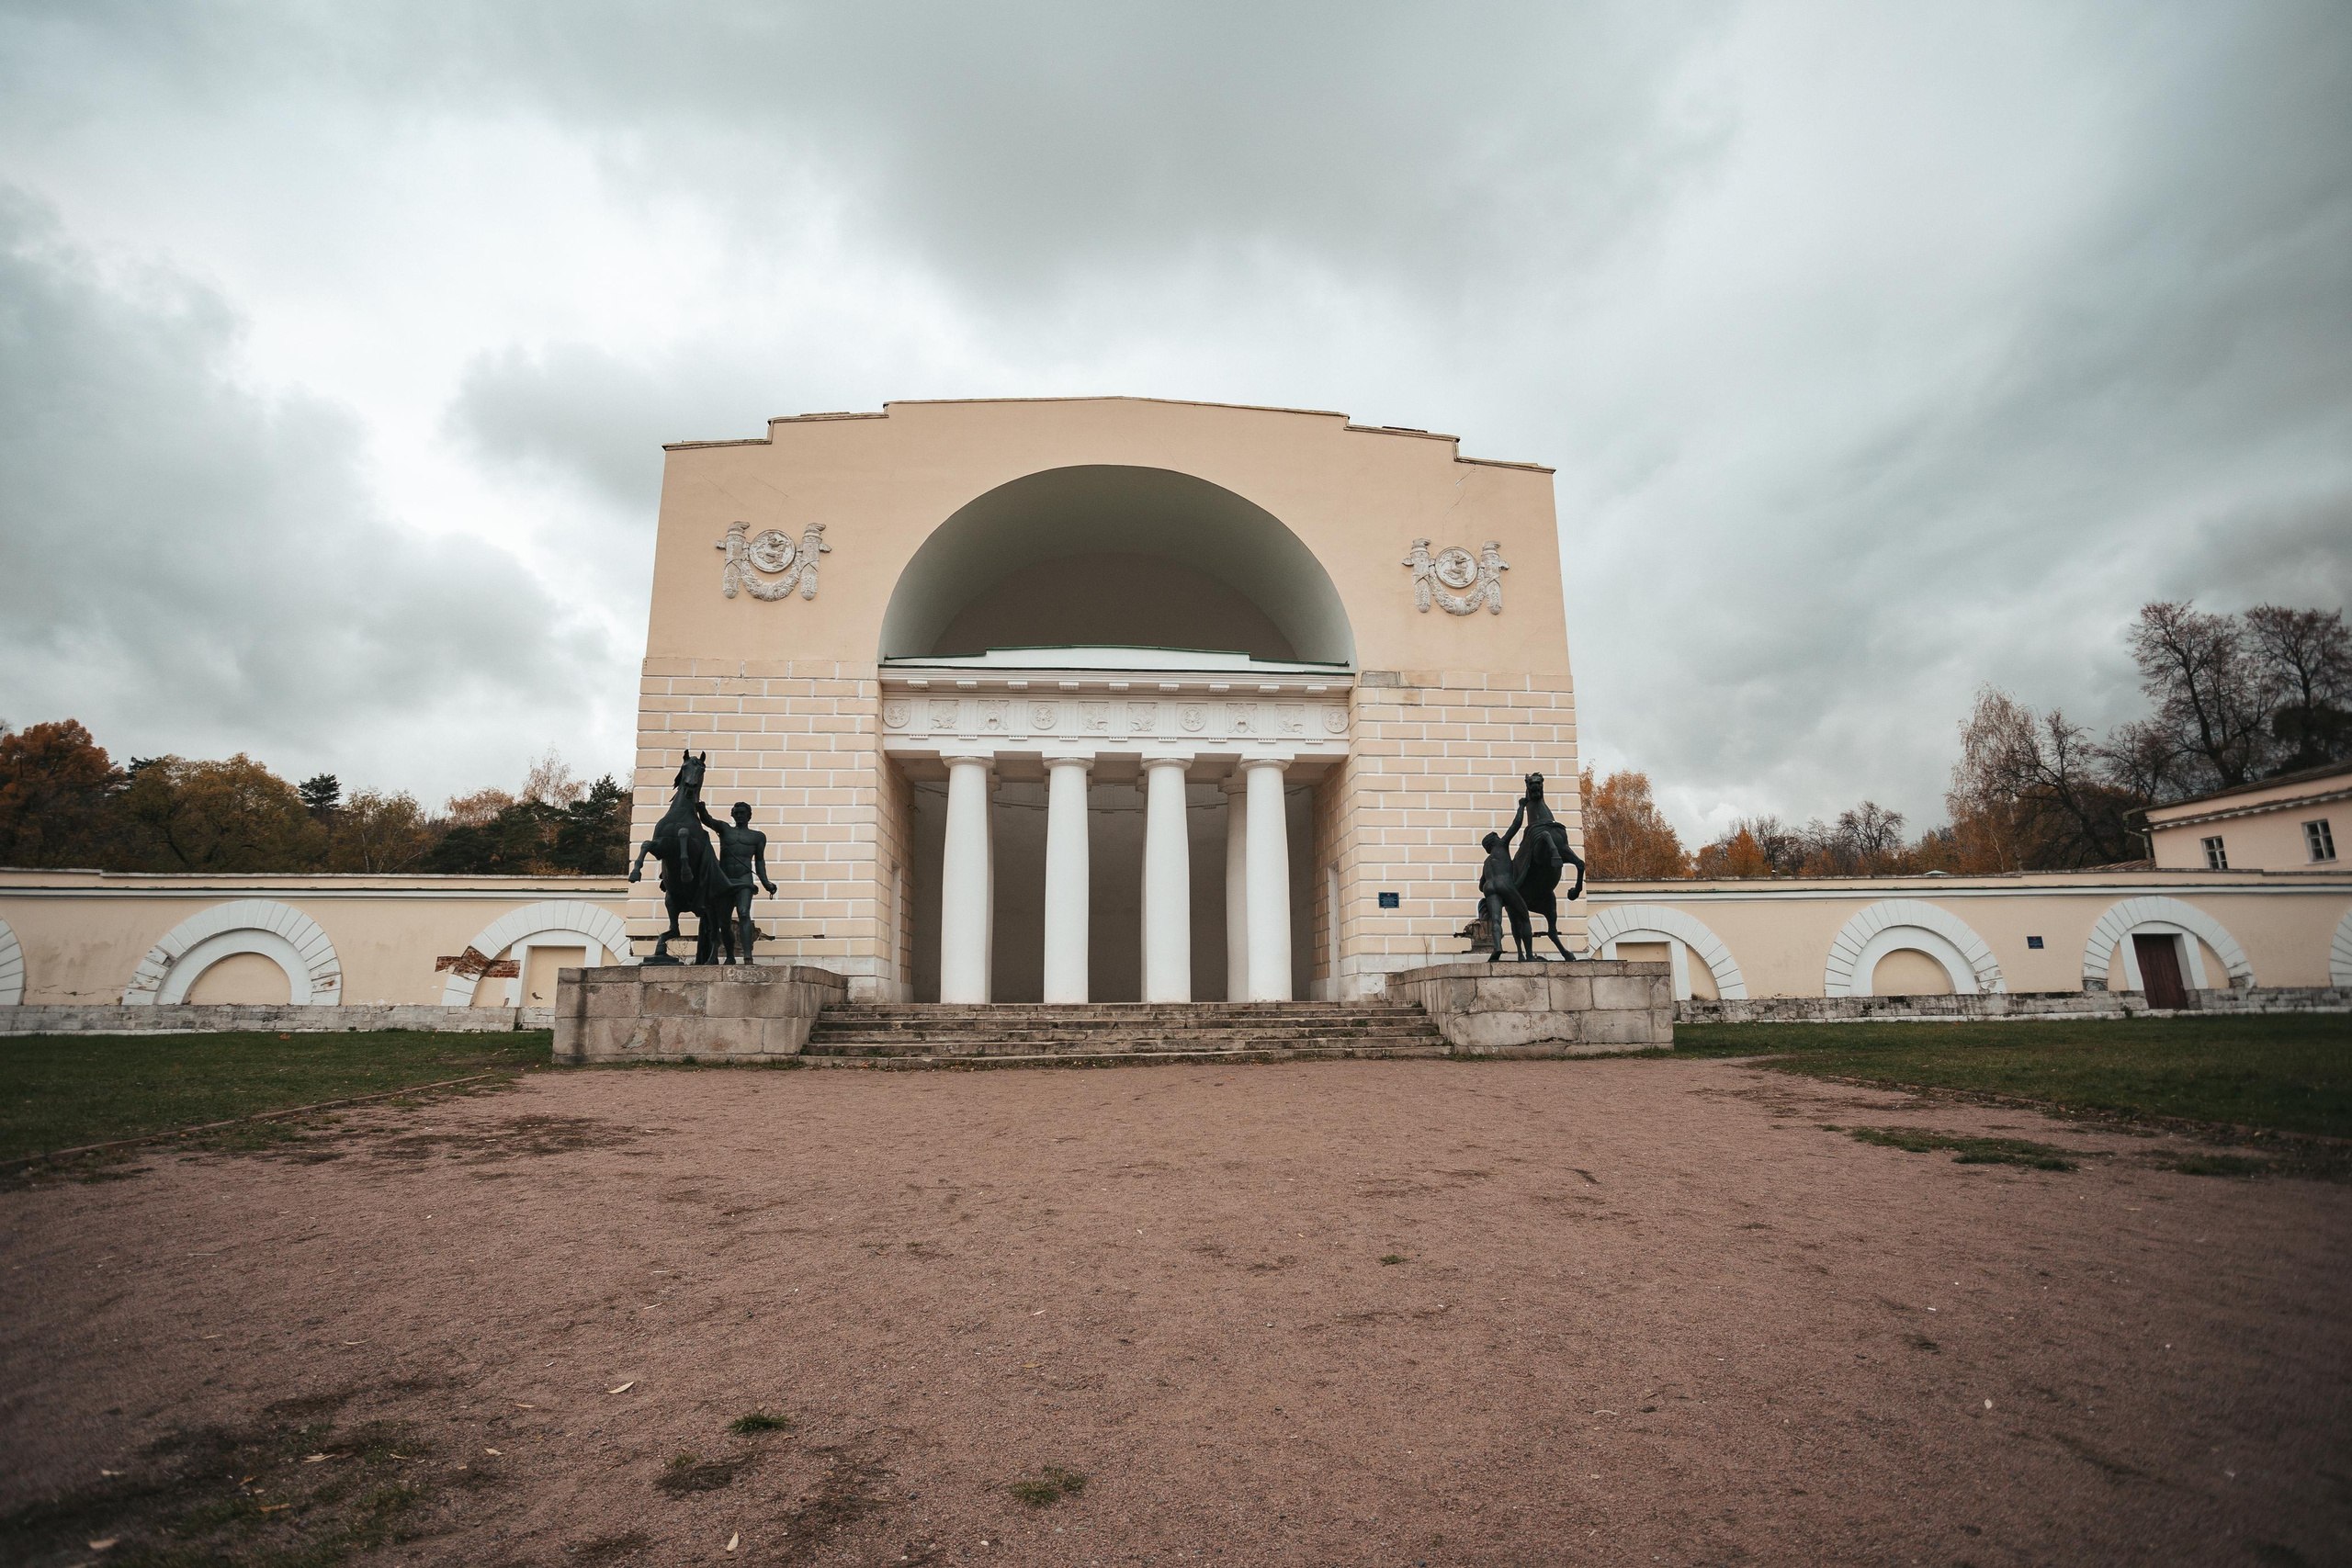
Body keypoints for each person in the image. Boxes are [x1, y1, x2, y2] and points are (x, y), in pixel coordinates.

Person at [695, 800, 775, 962]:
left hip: (744, 879)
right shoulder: (725, 829)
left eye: (742, 813)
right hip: (725, 880)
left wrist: (766, 882)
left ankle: (747, 956)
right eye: (736, 813)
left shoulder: (758, 837)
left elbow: (760, 861)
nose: (739, 815)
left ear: (749, 816)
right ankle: (730, 956)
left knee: (744, 913)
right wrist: (702, 809)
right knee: (723, 923)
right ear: (732, 814)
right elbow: (708, 820)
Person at [1479, 829, 1535, 963]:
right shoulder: (1502, 846)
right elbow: (1516, 825)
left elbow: (1481, 885)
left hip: (1489, 887)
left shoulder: (1487, 862)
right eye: (1497, 837)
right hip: (1504, 883)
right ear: (1493, 842)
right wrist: (1521, 807)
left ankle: (1497, 947)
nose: (1500, 838)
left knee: (1496, 920)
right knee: (1524, 918)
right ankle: (1529, 955)